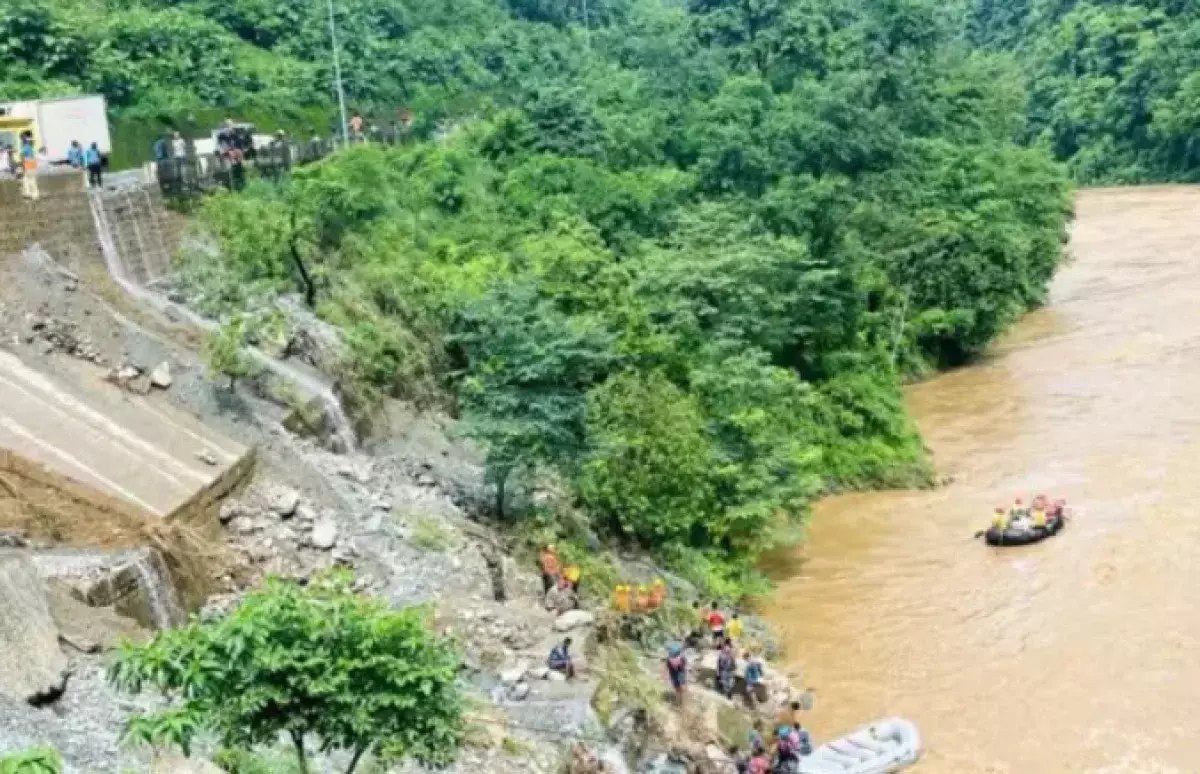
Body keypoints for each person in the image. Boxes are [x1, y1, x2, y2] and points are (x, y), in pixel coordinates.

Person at [19, 134, 38, 201]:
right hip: (32, 165)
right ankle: (33, 195)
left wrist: (23, 166)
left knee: (28, 180)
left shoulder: (25, 148)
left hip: (28, 165)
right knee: (30, 180)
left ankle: (30, 195)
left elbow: (22, 157)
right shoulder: (30, 148)